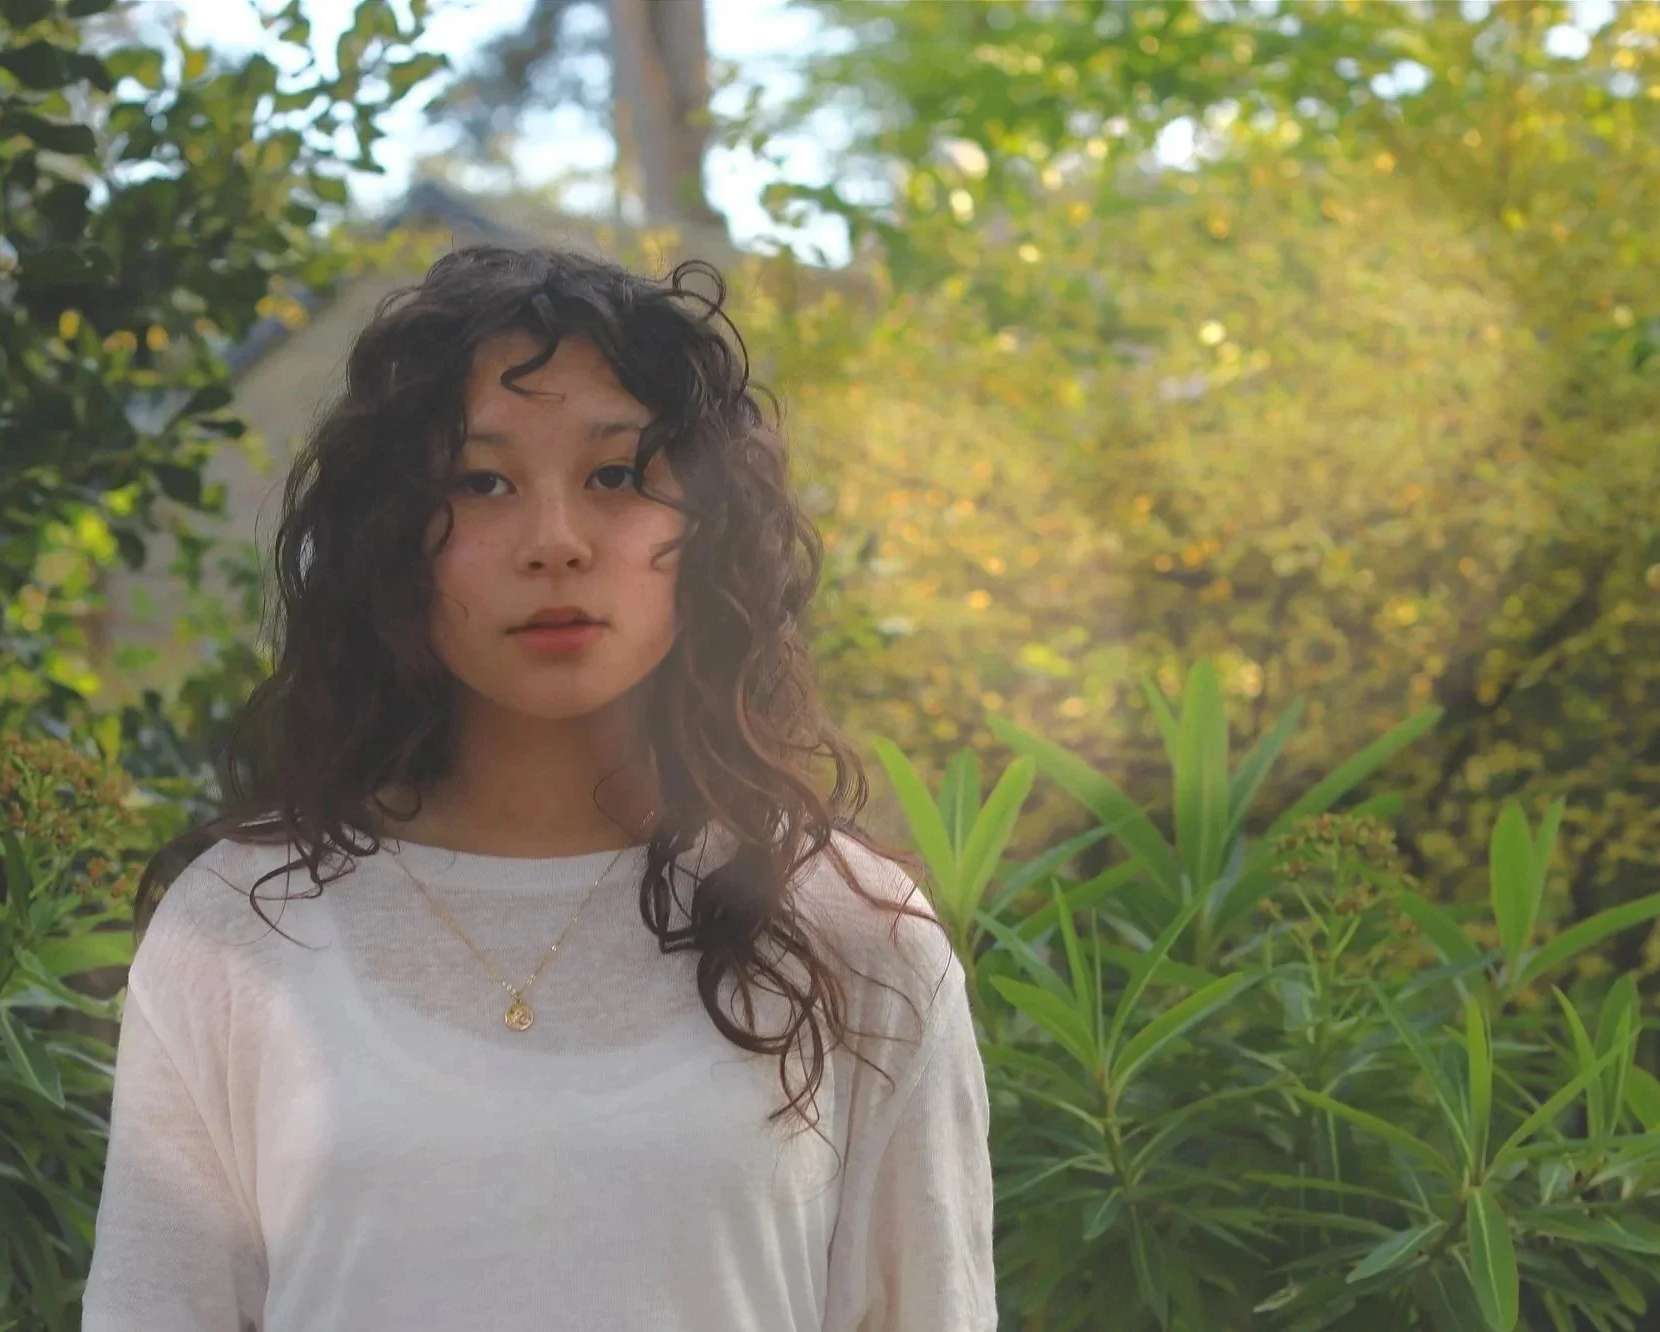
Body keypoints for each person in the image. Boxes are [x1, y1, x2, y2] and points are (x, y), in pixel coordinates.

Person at [82, 245, 995, 1331]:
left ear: (704, 527)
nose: (554, 543)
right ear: (392, 538)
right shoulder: (239, 930)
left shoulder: (853, 937)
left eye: (615, 476)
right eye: (482, 483)